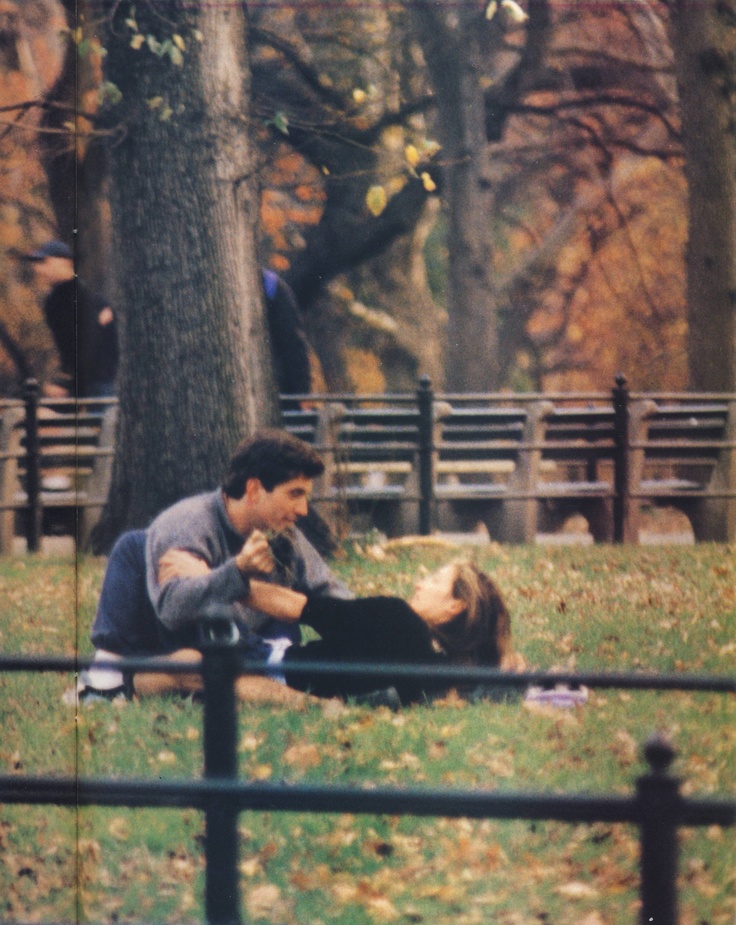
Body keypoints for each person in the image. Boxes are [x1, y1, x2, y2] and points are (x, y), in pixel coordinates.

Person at [74, 429, 352, 707]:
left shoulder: (286, 535)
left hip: (257, 645)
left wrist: (367, 632)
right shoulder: (189, 523)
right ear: (254, 490)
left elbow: (332, 594)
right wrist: (235, 574)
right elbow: (174, 611)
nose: (304, 510)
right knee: (134, 547)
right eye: (294, 494)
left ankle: (178, 683)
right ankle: (108, 674)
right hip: (194, 642)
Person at [158, 544, 523, 708]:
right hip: (280, 654)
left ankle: (113, 680)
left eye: (433, 581)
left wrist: (214, 578)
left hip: (269, 664)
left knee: (183, 660)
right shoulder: (443, 667)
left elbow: (296, 606)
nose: (419, 583)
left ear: (453, 607)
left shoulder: (399, 620)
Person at [24, 240, 119, 398]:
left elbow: (89, 346)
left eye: (44, 262)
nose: (39, 269)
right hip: (78, 386)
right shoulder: (53, 302)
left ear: (64, 262)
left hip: (97, 385)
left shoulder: (83, 298)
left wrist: (71, 384)